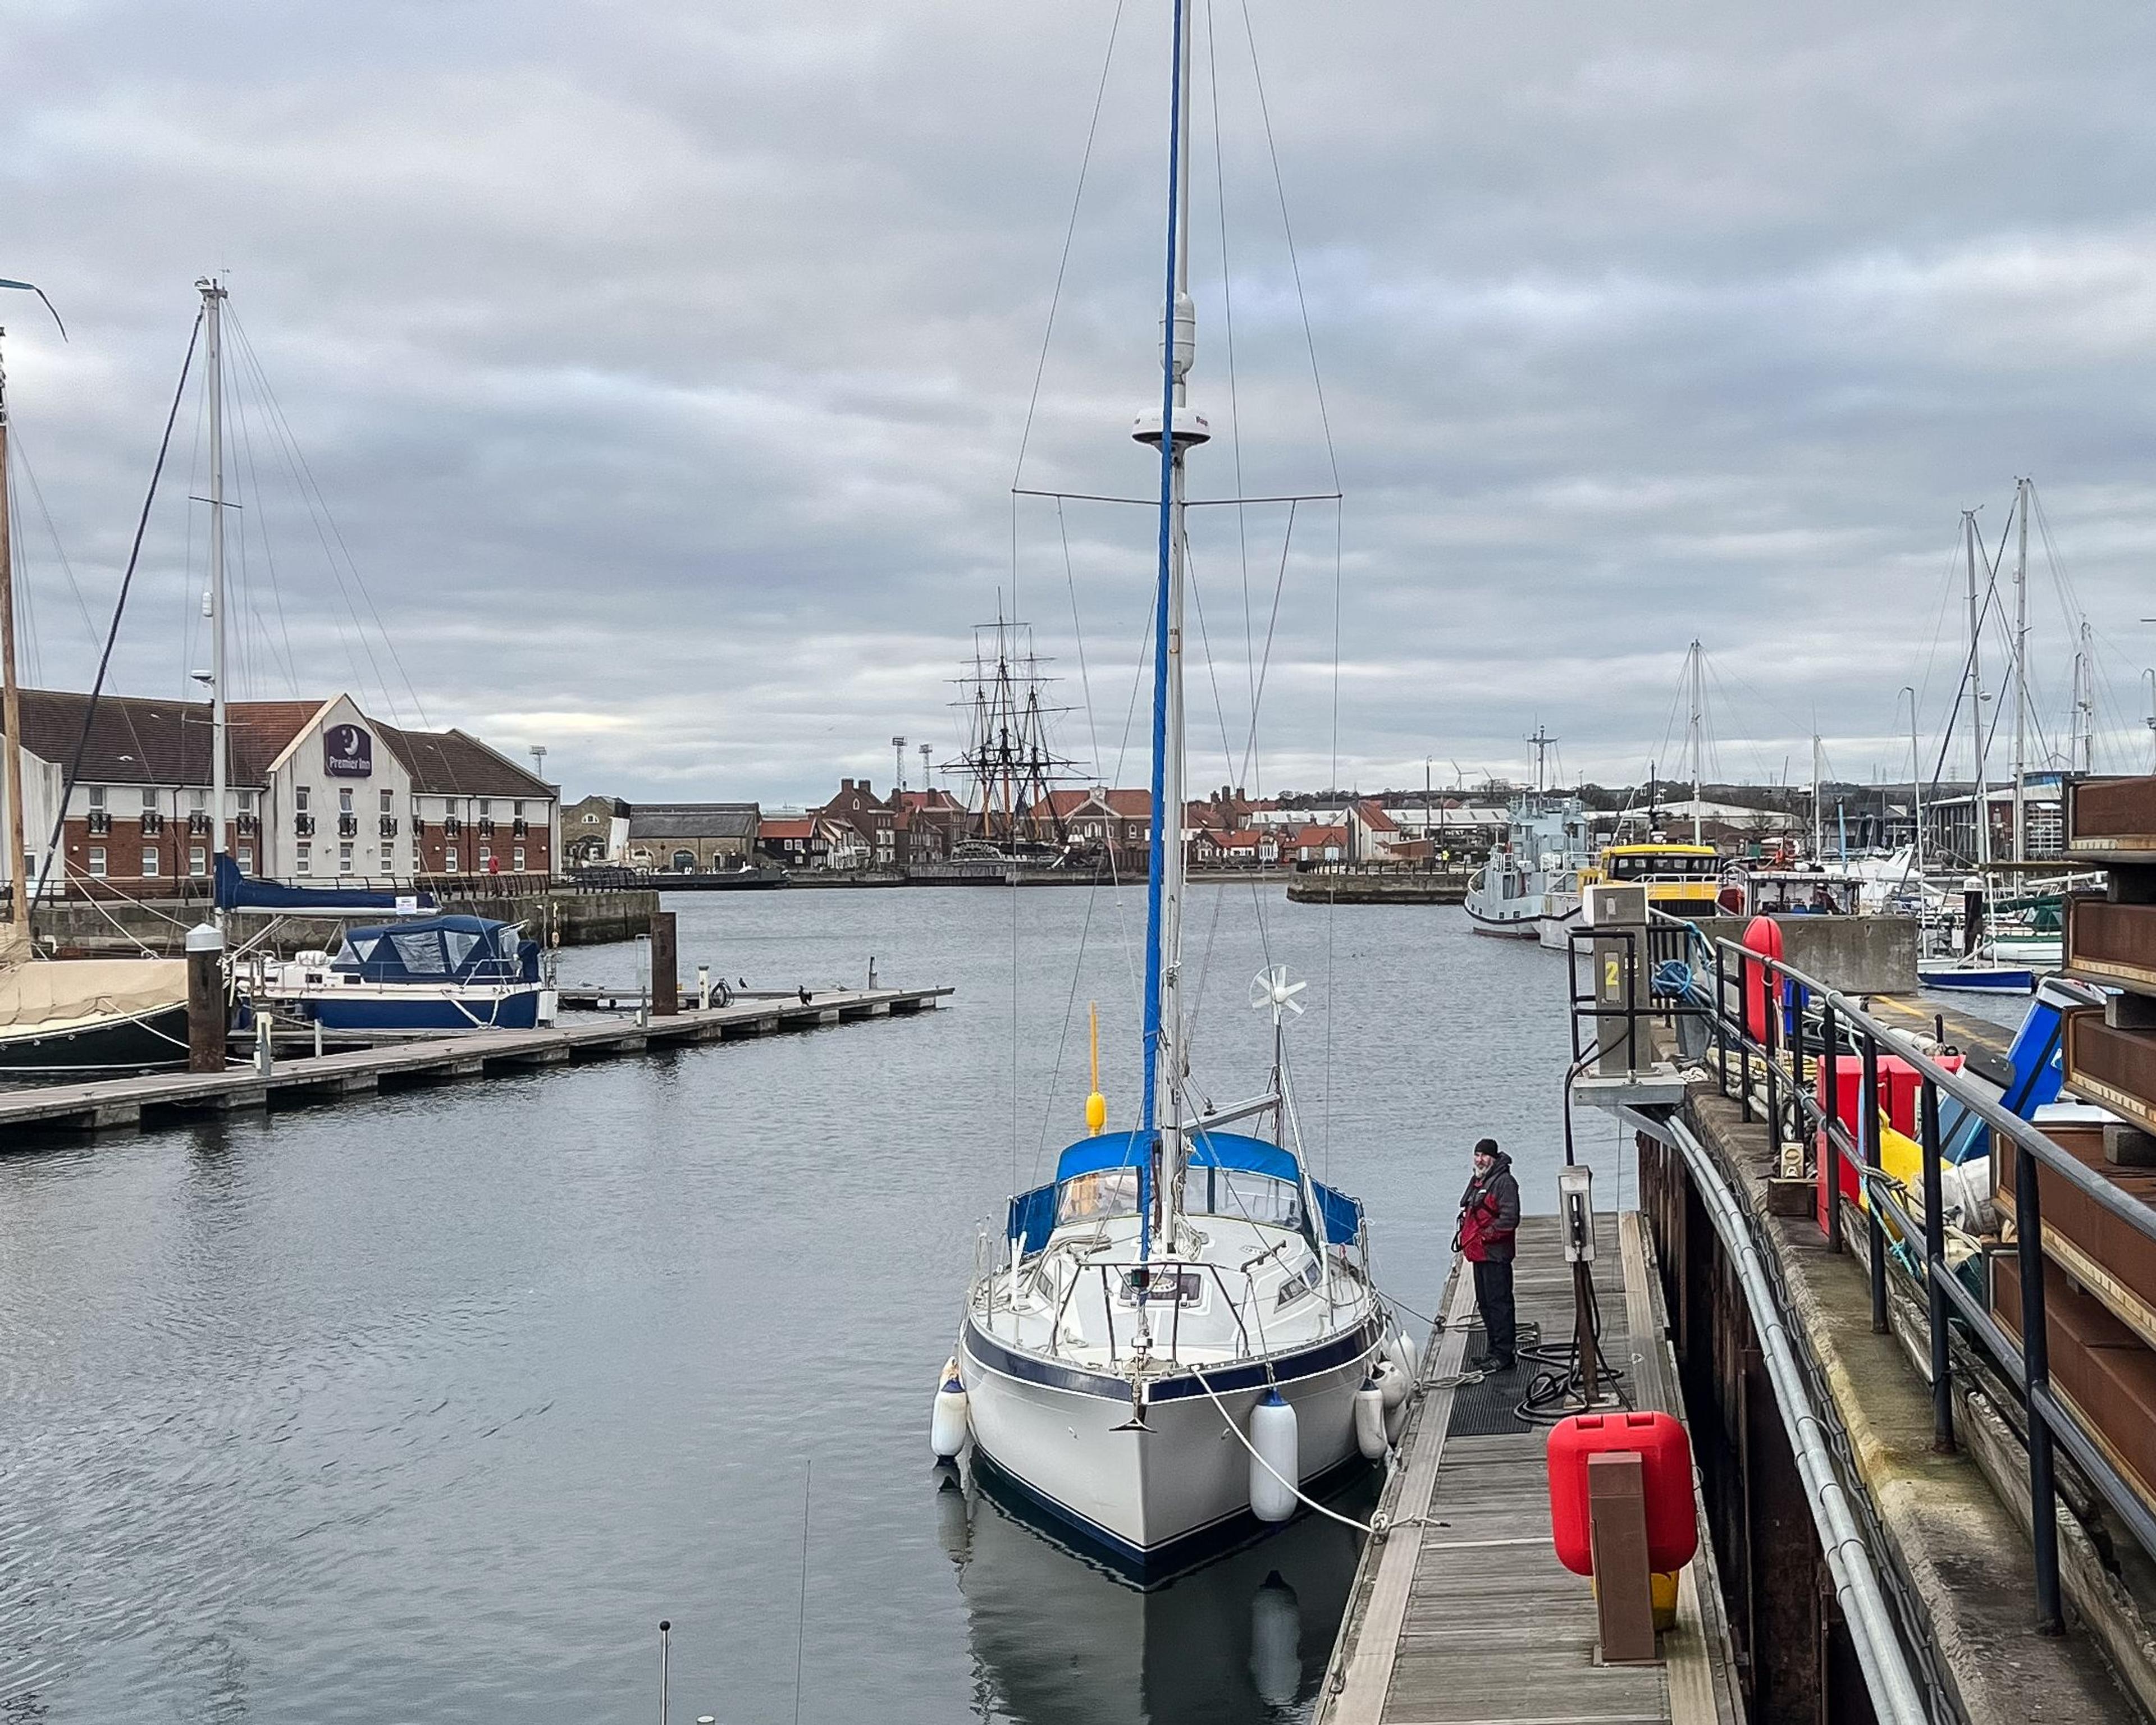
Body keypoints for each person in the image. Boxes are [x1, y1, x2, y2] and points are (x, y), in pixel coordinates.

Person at [1456, 1137, 1521, 1372]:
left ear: (1493, 1158)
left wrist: (1486, 1235)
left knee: (1500, 1304)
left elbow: (1510, 1219)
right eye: (1477, 1154)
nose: (1479, 1159)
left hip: (1495, 1254)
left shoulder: (1505, 1183)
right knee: (1485, 1304)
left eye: (1484, 1155)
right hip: (1479, 1255)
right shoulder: (1478, 1180)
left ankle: (1505, 1355)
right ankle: (1493, 1351)